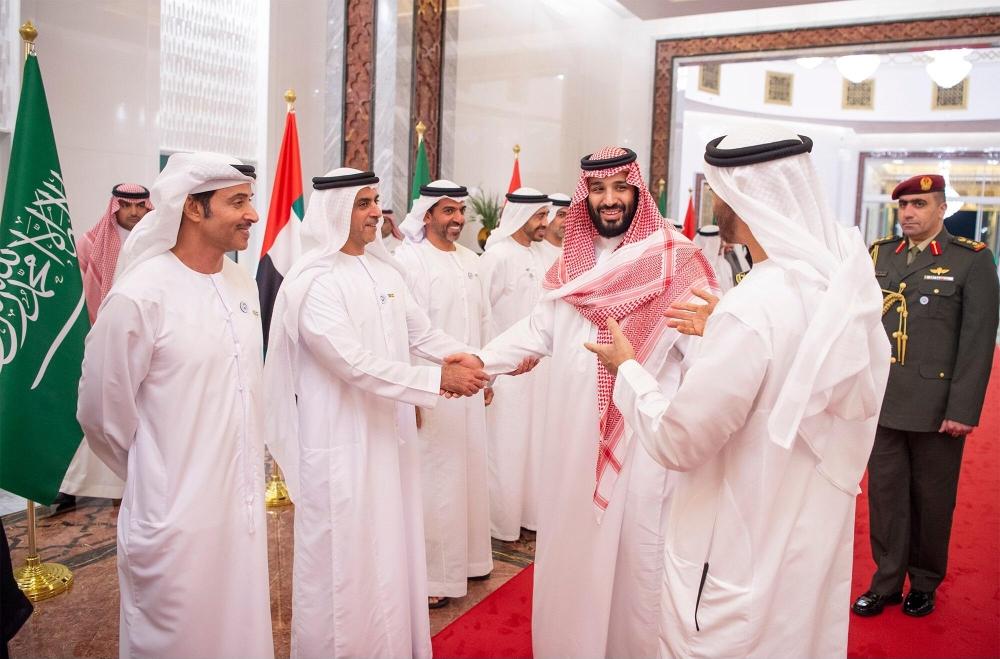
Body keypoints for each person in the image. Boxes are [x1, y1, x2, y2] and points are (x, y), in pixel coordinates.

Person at [586, 127, 891, 658]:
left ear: (743, 198)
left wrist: (628, 370)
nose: (715, 204)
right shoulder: (831, 286)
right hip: (803, 543)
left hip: (735, 553)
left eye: (718, 191)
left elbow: (679, 441)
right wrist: (720, 331)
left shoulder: (754, 307)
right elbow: (789, 377)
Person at [451, 147, 717, 657]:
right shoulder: (571, 264)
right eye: (598, 190)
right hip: (572, 441)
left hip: (641, 445)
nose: (609, 199)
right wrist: (480, 361)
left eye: (620, 188)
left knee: (636, 560)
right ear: (585, 197)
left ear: (638, 193)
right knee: (573, 553)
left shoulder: (676, 261)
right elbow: (538, 330)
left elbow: (706, 354)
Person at [263, 168, 489, 658]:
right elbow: (351, 362)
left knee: (390, 552)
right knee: (343, 564)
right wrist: (437, 380)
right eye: (363, 203)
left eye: (376, 201)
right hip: (339, 444)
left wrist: (477, 360)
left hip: (389, 438)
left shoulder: (385, 272)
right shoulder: (313, 282)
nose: (376, 212)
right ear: (335, 210)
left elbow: (422, 334)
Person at [77, 152, 273, 658]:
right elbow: (101, 414)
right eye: (237, 202)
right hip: (174, 518)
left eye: (249, 200)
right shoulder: (141, 295)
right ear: (192, 208)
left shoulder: (240, 283)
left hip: (240, 511)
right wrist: (157, 474)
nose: (252, 214)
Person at [852, 174, 999, 618]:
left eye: (919, 204)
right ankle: (886, 582)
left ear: (941, 209)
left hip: (937, 407)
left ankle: (924, 582)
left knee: (932, 499)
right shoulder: (879, 255)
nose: (908, 213)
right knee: (885, 497)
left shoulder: (971, 260)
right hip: (884, 401)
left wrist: (963, 410)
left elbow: (977, 343)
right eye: (903, 205)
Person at [395, 180, 493, 608]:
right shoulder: (408, 261)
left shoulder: (471, 260)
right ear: (428, 214)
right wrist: (412, 392)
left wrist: (488, 376)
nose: (457, 219)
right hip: (431, 388)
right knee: (435, 481)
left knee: (468, 473)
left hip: (468, 384)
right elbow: (404, 333)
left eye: (460, 211)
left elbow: (484, 321)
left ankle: (468, 562)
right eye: (448, 211)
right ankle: (434, 576)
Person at [59, 184, 153, 505]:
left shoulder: (158, 240)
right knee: (98, 407)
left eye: (140, 206)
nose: (134, 212)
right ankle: (73, 486)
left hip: (144, 334)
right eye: (126, 205)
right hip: (100, 332)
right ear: (115, 207)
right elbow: (76, 291)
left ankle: (128, 486)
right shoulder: (91, 242)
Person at [478, 188, 550, 541]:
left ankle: (530, 515)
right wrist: (487, 372)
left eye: (545, 215)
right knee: (505, 447)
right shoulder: (497, 256)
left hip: (538, 372)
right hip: (505, 372)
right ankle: (500, 522)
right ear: (521, 217)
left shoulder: (540, 255)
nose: (545, 223)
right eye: (539, 216)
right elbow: (482, 314)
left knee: (534, 445)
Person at [694, 224, 739, 293]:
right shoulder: (696, 268)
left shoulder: (725, 263)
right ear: (710, 243)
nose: (723, 244)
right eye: (719, 241)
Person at [539, 192, 570, 265]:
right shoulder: (535, 249)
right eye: (561, 215)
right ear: (548, 217)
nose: (567, 220)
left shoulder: (573, 250)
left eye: (570, 216)